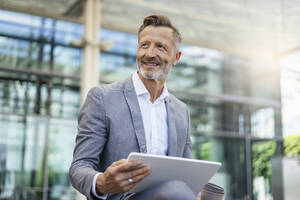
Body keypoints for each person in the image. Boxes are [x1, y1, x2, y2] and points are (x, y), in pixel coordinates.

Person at [69, 15, 196, 200]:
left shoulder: (181, 111)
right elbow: (79, 167)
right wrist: (102, 182)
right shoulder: (102, 98)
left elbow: (187, 172)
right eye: (144, 45)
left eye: (160, 47)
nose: (149, 53)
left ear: (176, 57)